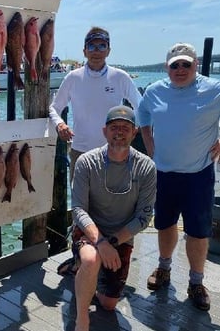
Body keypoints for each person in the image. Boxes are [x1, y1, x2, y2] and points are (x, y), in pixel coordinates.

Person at [138, 42, 220, 311]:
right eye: (175, 65)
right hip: (164, 173)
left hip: (199, 174)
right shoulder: (153, 91)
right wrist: (150, 147)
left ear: (196, 65)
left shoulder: (214, 88)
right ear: (167, 68)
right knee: (164, 224)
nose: (181, 69)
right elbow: (143, 116)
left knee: (198, 232)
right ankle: (163, 268)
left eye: (186, 64)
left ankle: (196, 282)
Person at [71, 105, 156, 331]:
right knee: (91, 259)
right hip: (90, 231)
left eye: (125, 128)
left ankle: (86, 274)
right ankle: (82, 320)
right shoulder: (86, 162)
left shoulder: (147, 167)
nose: (119, 132)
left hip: (121, 236)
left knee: (109, 304)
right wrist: (100, 243)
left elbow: (144, 216)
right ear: (104, 132)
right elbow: (78, 209)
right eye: (114, 127)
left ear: (134, 132)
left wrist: (112, 243)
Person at [49, 26, 142, 180]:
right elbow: (54, 108)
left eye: (102, 46)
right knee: (80, 202)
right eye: (91, 46)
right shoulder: (73, 77)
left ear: (108, 50)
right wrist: (59, 124)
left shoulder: (120, 77)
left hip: (114, 151)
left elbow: (140, 106)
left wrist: (132, 128)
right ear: (84, 51)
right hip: (80, 151)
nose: (96, 51)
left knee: (113, 201)